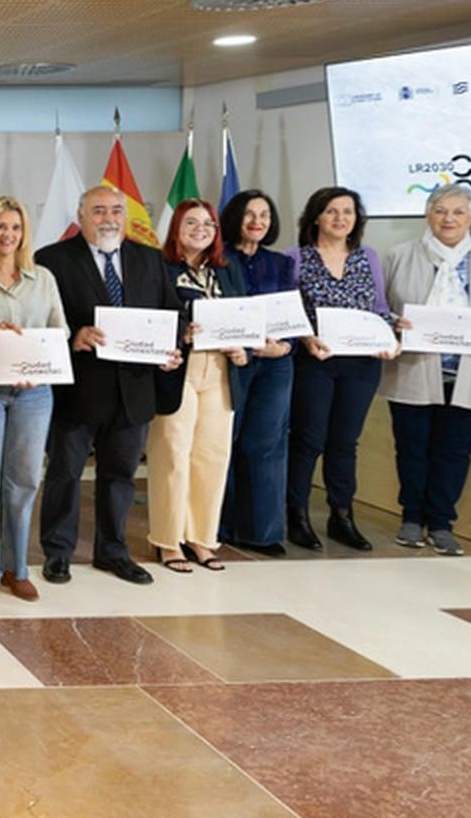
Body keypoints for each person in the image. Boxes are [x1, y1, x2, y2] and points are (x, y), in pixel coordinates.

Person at [34, 186, 183, 585]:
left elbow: (172, 315)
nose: (108, 218)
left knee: (120, 475)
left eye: (116, 210)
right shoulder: (52, 260)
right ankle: (58, 552)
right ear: (81, 216)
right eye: (98, 211)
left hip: (134, 390)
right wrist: (72, 338)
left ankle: (112, 551)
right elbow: (40, 321)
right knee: (65, 472)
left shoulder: (150, 259)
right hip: (79, 386)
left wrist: (170, 349)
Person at [381, 184, 471, 555]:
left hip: (470, 373)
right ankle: (411, 519)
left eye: (458, 212)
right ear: (428, 214)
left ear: (470, 217)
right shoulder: (400, 255)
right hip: (414, 369)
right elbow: (378, 307)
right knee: (412, 448)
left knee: (454, 452)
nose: (449, 219)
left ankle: (442, 523)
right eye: (441, 210)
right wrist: (394, 322)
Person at [0, 196, 66, 602]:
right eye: (1, 227)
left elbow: (61, 332)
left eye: (15, 228)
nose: (8, 235)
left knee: (23, 481)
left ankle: (14, 567)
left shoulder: (44, 278)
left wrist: (36, 364)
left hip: (35, 392)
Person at [286, 186, 399, 552]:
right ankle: (296, 515)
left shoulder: (368, 257)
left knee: (344, 442)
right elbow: (289, 312)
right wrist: (305, 339)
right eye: (332, 211)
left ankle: (341, 515)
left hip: (363, 364)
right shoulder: (297, 258)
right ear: (316, 216)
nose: (340, 218)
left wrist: (391, 335)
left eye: (347, 212)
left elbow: (380, 307)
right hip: (316, 360)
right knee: (308, 439)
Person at [147, 199, 249, 573]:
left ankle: (202, 538)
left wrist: (244, 349)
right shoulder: (159, 266)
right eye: (191, 222)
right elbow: (150, 317)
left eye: (208, 223)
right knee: (173, 453)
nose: (201, 229)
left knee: (213, 456)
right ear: (176, 227)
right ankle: (168, 540)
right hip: (179, 369)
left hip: (221, 369)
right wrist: (180, 332)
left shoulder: (228, 269)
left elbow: (244, 316)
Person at [218, 190, 299, 556]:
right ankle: (218, 527)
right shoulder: (218, 258)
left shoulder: (280, 263)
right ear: (235, 217)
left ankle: (262, 533)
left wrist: (287, 346)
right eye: (249, 214)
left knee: (266, 446)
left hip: (275, 363)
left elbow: (293, 313)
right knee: (224, 442)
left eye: (264, 215)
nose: (257, 221)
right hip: (231, 360)